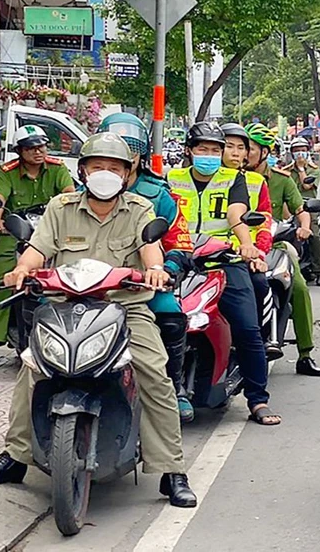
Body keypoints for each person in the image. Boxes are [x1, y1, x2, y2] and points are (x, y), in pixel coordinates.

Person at [0, 133, 197, 506]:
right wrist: (20, 271)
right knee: (32, 368)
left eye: (115, 168)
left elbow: (150, 250)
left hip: (125, 308)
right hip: (64, 306)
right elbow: (37, 249)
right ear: (83, 170)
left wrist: (157, 271)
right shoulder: (61, 207)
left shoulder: (140, 209)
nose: (106, 174)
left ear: (128, 174)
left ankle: (171, 469)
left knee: (155, 374)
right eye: (98, 166)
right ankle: (16, 456)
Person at [166, 122, 280, 426]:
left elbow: (236, 214)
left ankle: (258, 399)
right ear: (189, 151)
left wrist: (246, 245)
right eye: (203, 149)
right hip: (177, 260)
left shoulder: (234, 179)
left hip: (223, 261)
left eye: (215, 150)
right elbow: (158, 214)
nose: (210, 155)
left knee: (247, 329)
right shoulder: (171, 178)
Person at [99, 112, 196, 422]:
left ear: (138, 158)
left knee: (170, 313)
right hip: (85, 289)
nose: (111, 169)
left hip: (139, 289)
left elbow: (180, 242)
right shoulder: (72, 197)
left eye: (126, 155)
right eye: (104, 161)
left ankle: (175, 387)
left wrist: (164, 271)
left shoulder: (158, 197)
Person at [230, 123, 320, 377]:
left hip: (274, 242)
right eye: (237, 147)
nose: (243, 153)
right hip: (233, 246)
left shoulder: (282, 180)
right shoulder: (226, 177)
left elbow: (300, 210)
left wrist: (304, 228)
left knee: (299, 287)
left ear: (264, 152)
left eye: (248, 148)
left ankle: (305, 354)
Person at [0, 125, 74, 372]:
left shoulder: (57, 169)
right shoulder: (7, 172)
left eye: (41, 146)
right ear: (20, 151)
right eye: (31, 148)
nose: (38, 152)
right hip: (17, 230)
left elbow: (68, 195)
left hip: (51, 229)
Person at [224, 124, 278, 359]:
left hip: (247, 254)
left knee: (260, 284)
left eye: (241, 148)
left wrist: (258, 253)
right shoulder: (188, 179)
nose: (235, 153)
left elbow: (265, 221)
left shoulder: (256, 182)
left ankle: (262, 337)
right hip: (203, 253)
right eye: (228, 147)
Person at [284, 137, 320, 286]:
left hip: (309, 207)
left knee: (313, 236)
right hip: (289, 208)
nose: (300, 153)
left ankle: (319, 271)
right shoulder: (286, 171)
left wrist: (301, 169)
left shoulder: (313, 170)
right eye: (296, 151)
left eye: (302, 150)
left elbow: (307, 186)